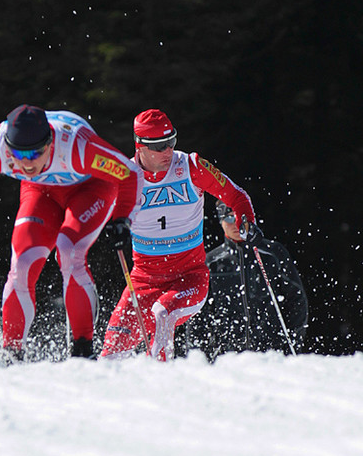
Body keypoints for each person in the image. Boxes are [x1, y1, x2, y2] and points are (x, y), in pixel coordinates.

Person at [0, 104, 142, 360]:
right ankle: (11, 354)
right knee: (22, 262)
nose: (26, 163)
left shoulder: (77, 149)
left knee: (69, 251)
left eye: (35, 153)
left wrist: (123, 218)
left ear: (50, 143)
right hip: (40, 190)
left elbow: (129, 173)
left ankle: (82, 349)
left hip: (90, 187)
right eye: (18, 154)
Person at [100, 109, 256, 361]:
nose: (168, 151)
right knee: (110, 354)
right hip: (143, 281)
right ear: (139, 146)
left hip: (189, 278)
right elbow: (91, 210)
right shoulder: (125, 177)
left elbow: (237, 195)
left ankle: (163, 382)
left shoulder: (191, 166)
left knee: (164, 313)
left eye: (171, 142)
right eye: (159, 146)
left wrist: (247, 220)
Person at [182, 199, 308, 360]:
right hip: (227, 360)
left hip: (272, 356)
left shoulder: (273, 253)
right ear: (220, 221)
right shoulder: (211, 262)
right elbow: (198, 314)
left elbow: (296, 300)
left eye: (240, 218)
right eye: (228, 218)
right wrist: (197, 356)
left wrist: (292, 343)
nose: (235, 224)